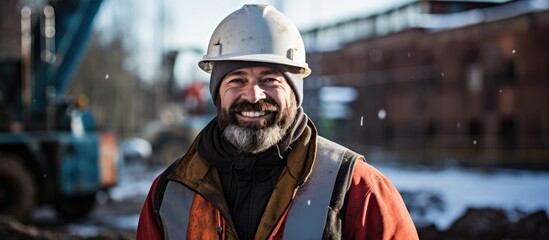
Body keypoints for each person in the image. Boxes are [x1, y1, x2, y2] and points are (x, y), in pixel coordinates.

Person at [137, 4, 418, 239]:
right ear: (217, 93)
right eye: (237, 80)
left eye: (269, 80)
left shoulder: (358, 190)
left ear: (295, 93)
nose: (253, 95)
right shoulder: (170, 193)